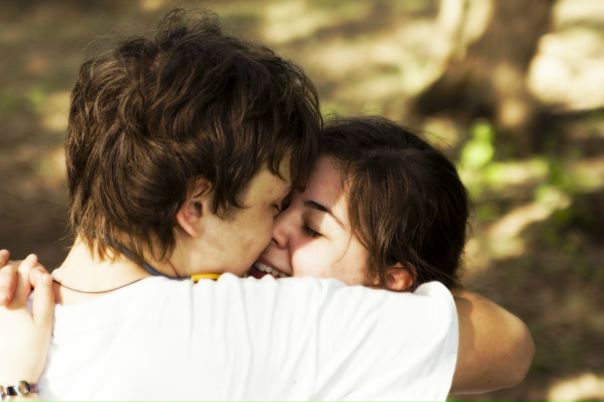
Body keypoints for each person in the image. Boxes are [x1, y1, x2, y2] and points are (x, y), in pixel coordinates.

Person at [0, 9, 533, 402]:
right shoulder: (260, 323)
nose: (274, 229)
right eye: (273, 203)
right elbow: (508, 344)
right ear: (194, 208)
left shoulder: (16, 318)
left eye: (308, 223)